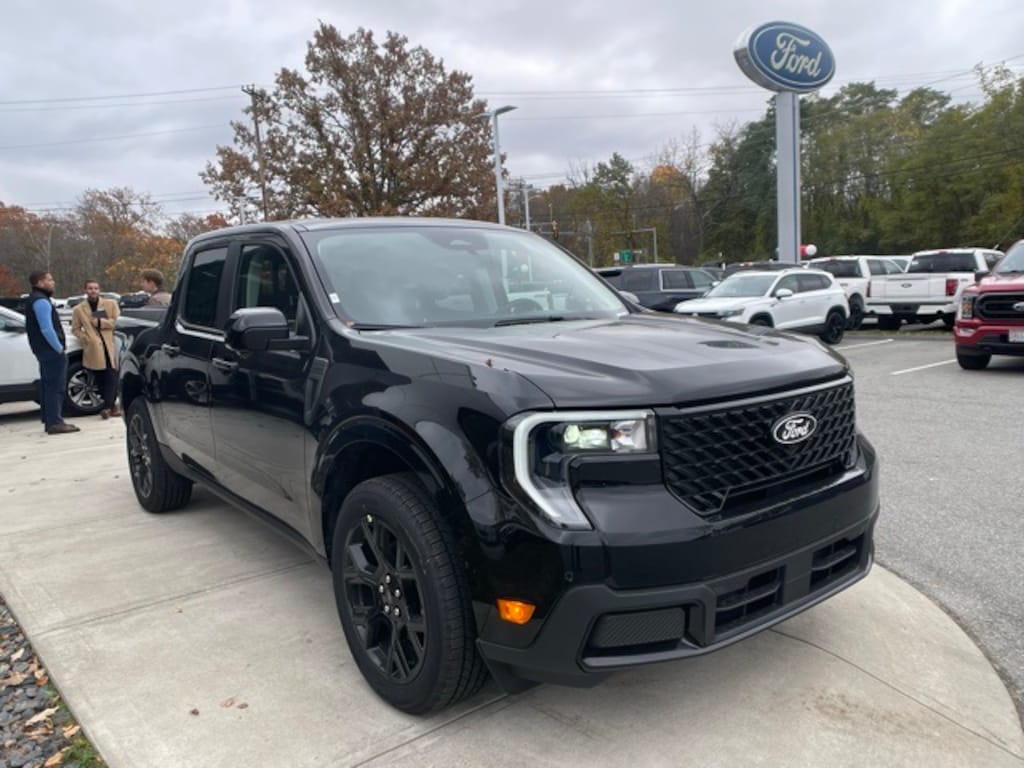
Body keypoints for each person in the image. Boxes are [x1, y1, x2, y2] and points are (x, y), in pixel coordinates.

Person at [24, 271, 80, 435]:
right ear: (40, 283)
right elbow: (46, 328)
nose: (53, 282)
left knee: (48, 385)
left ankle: (49, 419)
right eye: (49, 279)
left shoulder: (34, 298)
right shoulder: (41, 301)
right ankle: (55, 422)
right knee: (56, 386)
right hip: (50, 350)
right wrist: (58, 347)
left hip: (42, 349)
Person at [70, 279, 121, 418]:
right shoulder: (79, 309)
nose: (93, 291)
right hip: (94, 348)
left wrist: (100, 322)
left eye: (96, 288)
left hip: (109, 345)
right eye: (90, 288)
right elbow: (75, 329)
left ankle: (107, 407)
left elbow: (116, 322)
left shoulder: (110, 304)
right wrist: (86, 339)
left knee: (111, 375)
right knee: (99, 376)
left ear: (99, 290)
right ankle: (112, 407)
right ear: (85, 290)